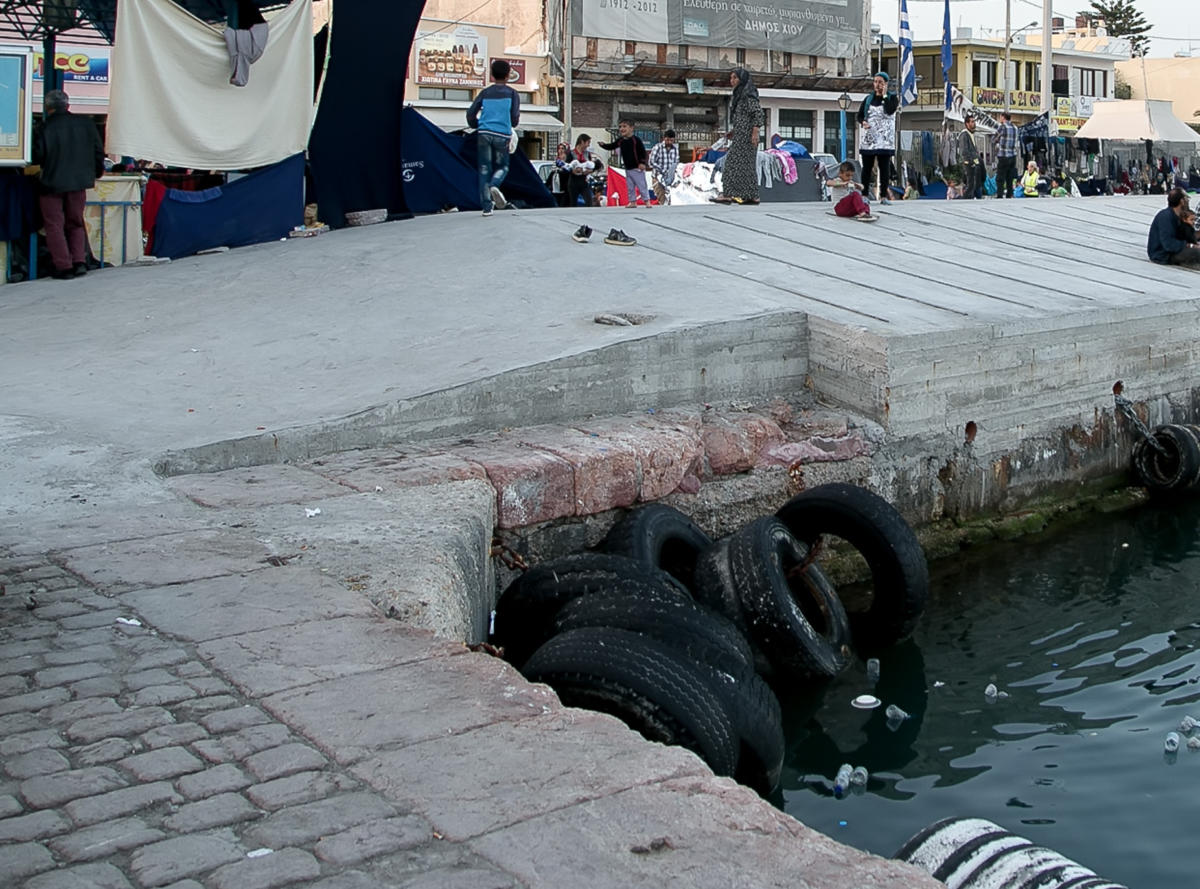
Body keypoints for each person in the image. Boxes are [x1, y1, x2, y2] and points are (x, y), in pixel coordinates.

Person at [32, 89, 104, 279]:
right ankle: (80, 261)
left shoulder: (44, 128)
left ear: (48, 108)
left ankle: (63, 266)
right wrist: (96, 173)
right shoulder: (86, 124)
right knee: (76, 222)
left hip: (51, 184)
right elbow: (98, 152)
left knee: (54, 224)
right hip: (79, 183)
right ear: (68, 105)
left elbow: (37, 155)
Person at [466, 58, 520, 217]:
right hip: (502, 133)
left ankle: (487, 207)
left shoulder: (485, 93)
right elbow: (515, 117)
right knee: (503, 166)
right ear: (508, 75)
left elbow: (470, 114)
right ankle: (495, 185)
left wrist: (477, 124)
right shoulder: (512, 93)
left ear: (492, 75)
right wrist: (510, 123)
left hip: (483, 133)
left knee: (484, 169)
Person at [711, 67, 764, 205]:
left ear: (742, 79)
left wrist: (755, 132)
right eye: (731, 78)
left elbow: (757, 114)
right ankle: (752, 196)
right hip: (740, 135)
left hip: (747, 137)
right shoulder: (739, 95)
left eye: (735, 78)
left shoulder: (748, 95)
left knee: (730, 164)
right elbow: (743, 117)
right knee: (747, 167)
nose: (732, 81)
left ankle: (727, 194)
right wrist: (734, 131)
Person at [856, 72, 899, 204]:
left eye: (880, 82)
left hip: (885, 139)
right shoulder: (868, 99)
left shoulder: (892, 98)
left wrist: (885, 96)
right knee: (867, 167)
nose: (877, 85)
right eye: (875, 82)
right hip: (870, 137)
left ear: (886, 84)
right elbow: (860, 115)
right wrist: (863, 122)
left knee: (884, 167)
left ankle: (883, 196)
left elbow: (890, 110)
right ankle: (864, 194)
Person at [600, 120, 651, 208]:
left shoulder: (636, 140)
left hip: (637, 167)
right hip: (628, 168)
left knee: (641, 185)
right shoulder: (621, 140)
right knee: (630, 186)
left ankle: (647, 201)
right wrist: (604, 145)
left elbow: (643, 152)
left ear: (631, 128)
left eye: (624, 126)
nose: (622, 129)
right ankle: (632, 201)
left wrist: (642, 163)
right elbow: (612, 146)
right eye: (620, 127)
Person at [1147, 187, 1200, 267]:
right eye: (1186, 198)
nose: (1188, 201)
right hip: (1163, 254)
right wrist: (1190, 245)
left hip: (1174, 250)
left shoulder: (1181, 216)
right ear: (1182, 201)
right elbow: (1169, 244)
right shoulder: (1165, 216)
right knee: (1196, 252)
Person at [566, 134, 599, 208]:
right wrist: (573, 171)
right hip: (573, 182)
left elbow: (592, 165)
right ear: (582, 142)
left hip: (584, 181)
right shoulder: (571, 153)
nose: (588, 145)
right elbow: (567, 166)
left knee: (589, 201)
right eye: (588, 143)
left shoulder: (587, 154)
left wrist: (589, 171)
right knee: (573, 203)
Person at [648, 128, 679, 206]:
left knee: (670, 201)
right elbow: (651, 162)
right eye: (667, 140)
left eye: (671, 140)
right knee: (662, 201)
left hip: (669, 180)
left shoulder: (675, 150)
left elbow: (676, 163)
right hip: (657, 179)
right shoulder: (657, 147)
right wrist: (662, 170)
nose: (669, 142)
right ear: (664, 138)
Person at [993, 111, 1019, 199]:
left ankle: (1000, 195)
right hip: (1013, 155)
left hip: (1003, 155)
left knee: (1000, 177)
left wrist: (997, 142)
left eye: (1001, 117)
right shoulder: (1015, 128)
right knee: (1009, 177)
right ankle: (1009, 194)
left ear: (1003, 117)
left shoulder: (1002, 127)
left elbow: (994, 139)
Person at [958, 115, 983, 199]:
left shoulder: (971, 134)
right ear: (967, 124)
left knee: (973, 184)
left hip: (974, 162)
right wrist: (969, 161)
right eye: (972, 122)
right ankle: (965, 199)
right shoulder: (964, 135)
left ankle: (969, 198)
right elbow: (964, 150)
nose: (974, 123)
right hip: (969, 163)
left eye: (974, 121)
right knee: (970, 183)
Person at [549, 142, 571, 207]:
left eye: (563, 148)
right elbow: (552, 173)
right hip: (555, 188)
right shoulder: (556, 161)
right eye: (559, 148)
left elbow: (568, 172)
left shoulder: (569, 161)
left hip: (564, 189)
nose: (560, 150)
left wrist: (563, 165)